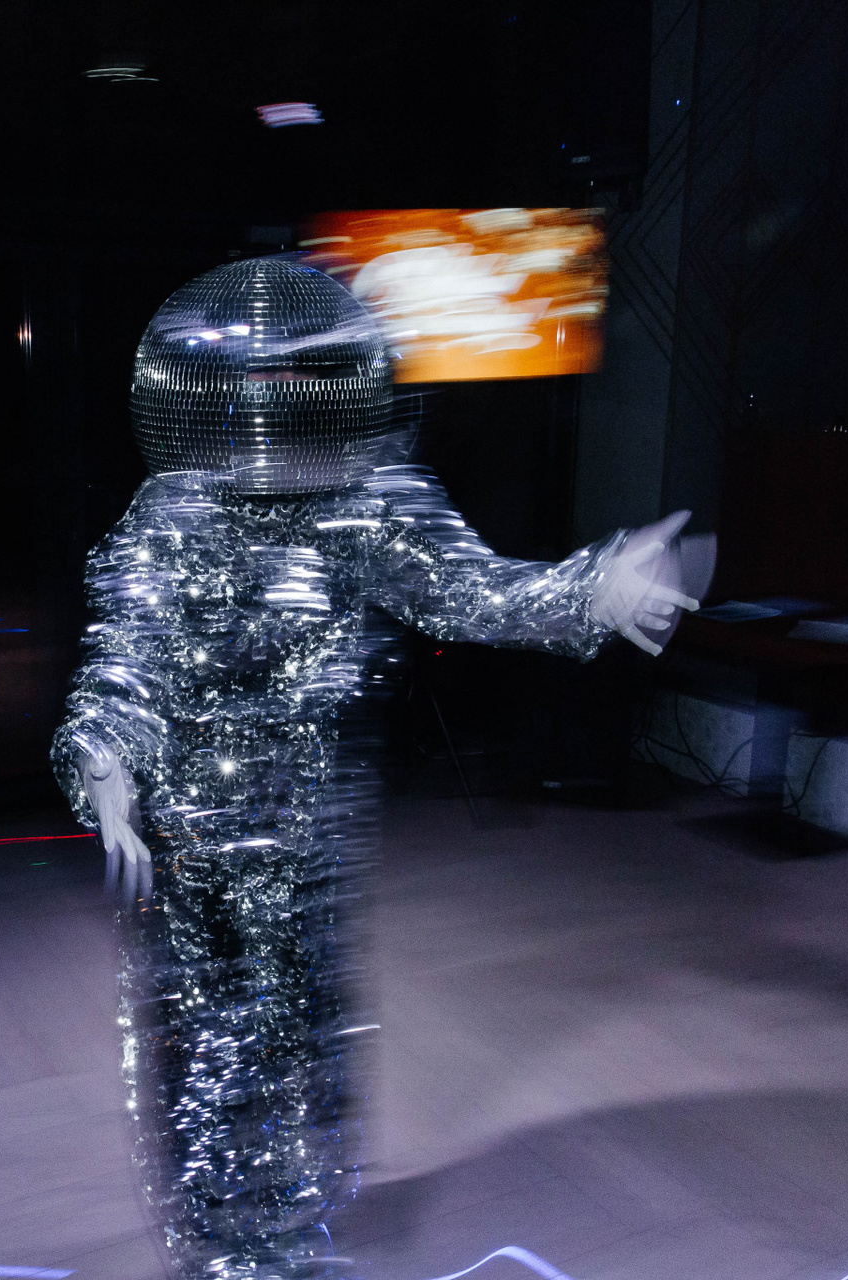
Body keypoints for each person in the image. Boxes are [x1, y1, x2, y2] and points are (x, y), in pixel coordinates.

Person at [50, 257, 702, 1280]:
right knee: (206, 1047)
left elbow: (477, 594)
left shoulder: (367, 501)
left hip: (306, 835)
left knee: (303, 1035)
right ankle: (226, 1247)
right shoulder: (170, 515)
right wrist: (104, 759)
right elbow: (123, 663)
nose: (271, 403)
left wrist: (593, 590)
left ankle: (288, 1226)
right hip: (190, 844)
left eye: (291, 379)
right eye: (254, 382)